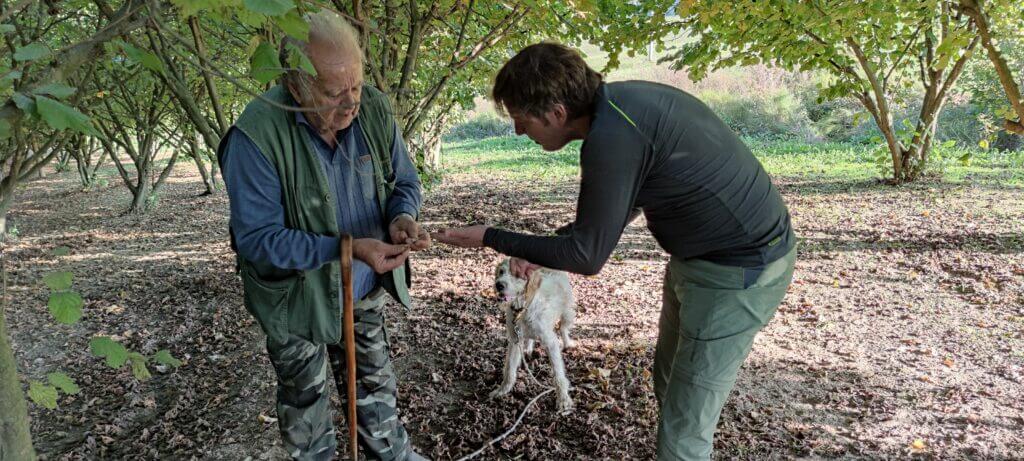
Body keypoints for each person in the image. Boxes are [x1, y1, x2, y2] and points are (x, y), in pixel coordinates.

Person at [433, 42, 797, 460]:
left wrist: (491, 236)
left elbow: (588, 256)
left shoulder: (612, 136)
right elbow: (616, 212)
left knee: (684, 428)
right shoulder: (622, 107)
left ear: (556, 113)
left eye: (522, 120)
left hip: (740, 272)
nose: (519, 131)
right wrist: (544, 251)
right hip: (698, 262)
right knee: (668, 382)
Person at [218, 9, 430, 461]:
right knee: (307, 417)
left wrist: (401, 217)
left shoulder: (372, 108)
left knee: (376, 400)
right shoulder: (256, 135)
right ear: (295, 86)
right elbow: (257, 239)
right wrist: (346, 249)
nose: (350, 104)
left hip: (364, 290)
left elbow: (406, 183)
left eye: (355, 86)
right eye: (334, 94)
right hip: (297, 303)